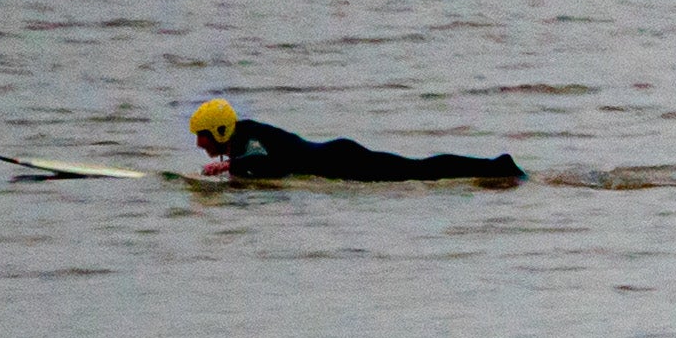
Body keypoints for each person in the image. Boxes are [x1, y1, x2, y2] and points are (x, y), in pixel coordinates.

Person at [188, 95, 524, 187]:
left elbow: (266, 163)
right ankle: (494, 167)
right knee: (420, 169)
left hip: (342, 161)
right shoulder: (245, 136)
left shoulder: (248, 138)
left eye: (202, 136)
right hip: (338, 158)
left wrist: (228, 168)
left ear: (219, 130)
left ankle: (496, 167)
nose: (200, 143)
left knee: (421, 171)